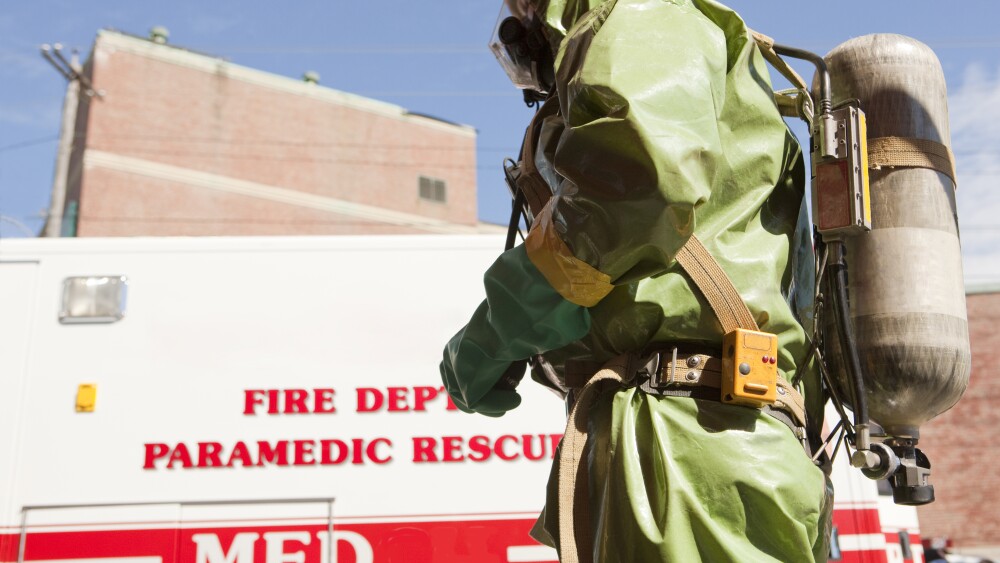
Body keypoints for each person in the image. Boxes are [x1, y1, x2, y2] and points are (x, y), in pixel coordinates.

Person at [440, 0, 832, 560]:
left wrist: (496, 331)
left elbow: (633, 190)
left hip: (684, 442)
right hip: (687, 436)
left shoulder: (643, 14)